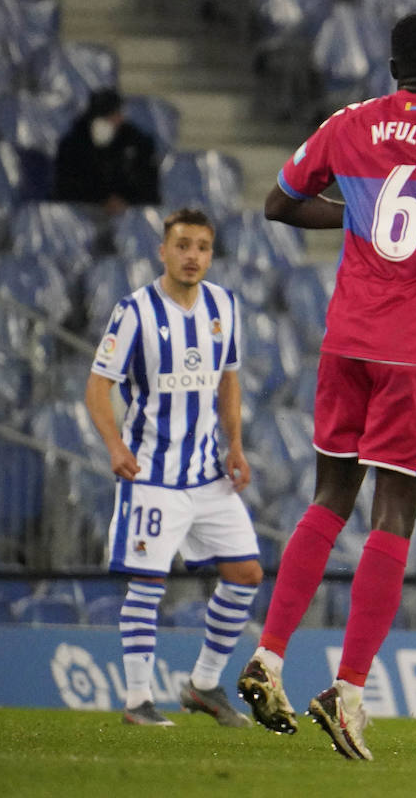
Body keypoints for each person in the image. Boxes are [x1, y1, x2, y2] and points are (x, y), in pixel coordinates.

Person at [236, 11, 416, 760]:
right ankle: (350, 689)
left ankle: (268, 655)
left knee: (328, 499)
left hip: (347, 341)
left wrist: (356, 216)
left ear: (393, 64)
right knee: (394, 514)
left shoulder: (350, 121)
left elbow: (278, 202)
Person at [84, 207, 260, 728]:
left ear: (211, 253)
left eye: (202, 247)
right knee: (148, 581)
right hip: (152, 475)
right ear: (163, 250)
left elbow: (229, 380)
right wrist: (115, 445)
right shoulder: (134, 311)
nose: (192, 256)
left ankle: (203, 685)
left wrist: (236, 445)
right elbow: (98, 386)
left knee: (246, 573)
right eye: (182, 245)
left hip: (207, 473)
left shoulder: (225, 306)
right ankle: (138, 699)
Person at [53, 87, 160, 212]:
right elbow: (66, 187)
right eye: (110, 116)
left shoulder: (136, 144)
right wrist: (101, 199)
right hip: (83, 213)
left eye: (117, 114)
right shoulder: (72, 145)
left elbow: (148, 186)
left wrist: (126, 200)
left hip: (128, 213)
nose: (117, 120)